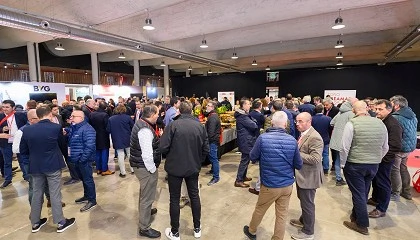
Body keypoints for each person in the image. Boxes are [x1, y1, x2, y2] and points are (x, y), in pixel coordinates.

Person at [243, 111, 303, 240]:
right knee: (282, 215)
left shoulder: (263, 138)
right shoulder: (292, 140)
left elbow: (253, 157)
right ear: (286, 124)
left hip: (269, 184)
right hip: (287, 185)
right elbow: (299, 164)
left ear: (272, 123)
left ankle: (252, 231)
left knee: (260, 209)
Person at [20, 106, 75, 233]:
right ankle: (61, 222)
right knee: (55, 193)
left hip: (36, 166)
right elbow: (62, 145)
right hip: (53, 165)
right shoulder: (56, 128)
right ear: (50, 114)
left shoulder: (27, 130)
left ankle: (35, 222)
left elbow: (23, 151)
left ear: (38, 116)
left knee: (37, 194)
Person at [160, 101, 209, 240]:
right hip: (193, 167)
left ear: (179, 111)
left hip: (175, 167)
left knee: (174, 199)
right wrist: (198, 161)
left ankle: (175, 232)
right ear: (192, 110)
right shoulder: (200, 126)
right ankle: (197, 228)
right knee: (194, 196)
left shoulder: (173, 125)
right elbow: (206, 148)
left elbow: (163, 147)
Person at [340, 101, 388, 235]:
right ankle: (355, 216)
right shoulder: (380, 123)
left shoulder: (352, 124)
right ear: (367, 109)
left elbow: (344, 147)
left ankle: (361, 224)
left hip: (355, 165)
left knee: (358, 194)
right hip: (373, 165)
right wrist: (377, 159)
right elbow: (385, 147)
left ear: (353, 111)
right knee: (364, 191)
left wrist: (343, 164)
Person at [290, 112, 323, 240]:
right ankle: (303, 220)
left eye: (300, 121)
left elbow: (315, 159)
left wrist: (296, 153)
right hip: (303, 176)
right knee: (304, 201)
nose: (297, 124)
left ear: (309, 122)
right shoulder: (304, 134)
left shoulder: (315, 137)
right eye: (296, 121)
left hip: (309, 177)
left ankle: (308, 232)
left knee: (308, 204)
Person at [129, 104, 162, 238]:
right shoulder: (145, 130)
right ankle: (144, 227)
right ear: (152, 114)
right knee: (147, 197)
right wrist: (153, 169)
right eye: (157, 114)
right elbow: (147, 155)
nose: (159, 116)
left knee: (145, 193)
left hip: (140, 165)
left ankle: (146, 212)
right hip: (144, 167)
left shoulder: (141, 123)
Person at [367, 99, 402, 218]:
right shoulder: (381, 121)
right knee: (376, 181)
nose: (377, 111)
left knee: (383, 183)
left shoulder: (393, 124)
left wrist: (383, 158)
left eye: (380, 109)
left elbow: (395, 145)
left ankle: (381, 208)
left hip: (385, 160)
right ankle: (375, 199)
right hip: (378, 158)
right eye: (376, 109)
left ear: (389, 109)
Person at [65, 110, 97, 212]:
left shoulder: (88, 129)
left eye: (74, 116)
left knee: (88, 180)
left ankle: (92, 200)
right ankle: (87, 196)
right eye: (71, 116)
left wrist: (82, 159)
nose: (71, 118)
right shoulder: (75, 128)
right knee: (83, 179)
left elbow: (90, 146)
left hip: (84, 161)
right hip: (77, 160)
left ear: (81, 118)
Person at [389, 95, 418, 201]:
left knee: (395, 170)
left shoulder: (396, 117)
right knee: (403, 168)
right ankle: (406, 192)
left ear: (396, 105)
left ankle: (395, 193)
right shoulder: (413, 115)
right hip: (409, 147)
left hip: (399, 148)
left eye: (391, 103)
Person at [0, 100, 28, 188]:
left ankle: (27, 176)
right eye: (3, 107)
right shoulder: (0, 116)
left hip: (19, 142)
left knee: (22, 160)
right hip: (5, 142)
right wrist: (1, 130)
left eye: (7, 107)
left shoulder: (21, 115)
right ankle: (8, 179)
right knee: (7, 162)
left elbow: (28, 125)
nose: (4, 109)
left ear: (13, 108)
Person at [234, 98, 259, 188]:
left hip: (247, 140)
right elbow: (254, 125)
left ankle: (243, 176)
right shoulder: (242, 116)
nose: (250, 105)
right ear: (243, 105)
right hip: (246, 141)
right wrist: (255, 121)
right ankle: (239, 180)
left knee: (246, 159)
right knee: (244, 160)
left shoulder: (244, 115)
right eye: (248, 104)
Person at [108, 104, 135, 178]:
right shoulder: (128, 118)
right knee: (130, 154)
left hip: (117, 139)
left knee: (120, 155)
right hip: (127, 138)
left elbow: (108, 130)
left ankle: (123, 172)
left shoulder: (111, 119)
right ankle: (132, 170)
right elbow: (133, 127)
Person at [90, 102, 113, 176]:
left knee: (97, 153)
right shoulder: (105, 115)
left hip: (94, 136)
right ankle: (104, 169)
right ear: (105, 107)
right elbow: (108, 127)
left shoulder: (92, 114)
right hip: (103, 137)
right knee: (104, 153)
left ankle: (98, 169)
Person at [311, 104, 332, 175]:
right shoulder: (328, 119)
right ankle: (325, 168)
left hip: (314, 140)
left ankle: (316, 167)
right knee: (326, 154)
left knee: (315, 154)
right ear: (323, 110)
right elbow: (330, 129)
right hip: (325, 139)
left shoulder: (312, 119)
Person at [204, 101, 221, 186]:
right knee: (212, 157)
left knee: (214, 159)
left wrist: (207, 141)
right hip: (213, 140)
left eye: (209, 106)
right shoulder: (212, 116)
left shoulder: (213, 117)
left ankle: (216, 177)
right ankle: (213, 170)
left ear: (213, 107)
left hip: (212, 141)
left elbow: (210, 132)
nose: (207, 107)